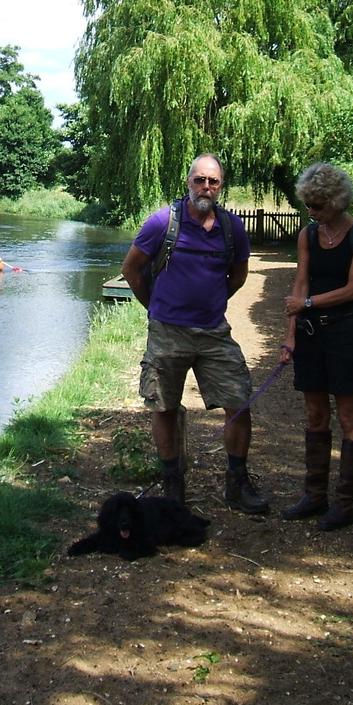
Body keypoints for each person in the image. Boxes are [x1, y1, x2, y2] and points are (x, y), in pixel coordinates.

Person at [120, 153, 267, 514]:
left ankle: (237, 482)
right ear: (188, 182)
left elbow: (238, 276)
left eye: (213, 181)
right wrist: (155, 307)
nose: (206, 187)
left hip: (214, 331)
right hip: (168, 331)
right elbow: (131, 270)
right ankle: (173, 483)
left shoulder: (231, 229)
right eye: (200, 180)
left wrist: (211, 303)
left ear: (220, 186)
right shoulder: (162, 223)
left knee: (238, 401)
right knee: (164, 404)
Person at [279, 162, 353, 531]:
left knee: (350, 417)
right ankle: (314, 496)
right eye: (308, 204)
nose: (312, 211)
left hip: (345, 334)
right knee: (316, 416)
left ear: (336, 201)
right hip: (310, 335)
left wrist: (307, 305)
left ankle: (344, 503)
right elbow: (299, 286)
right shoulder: (308, 234)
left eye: (317, 205)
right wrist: (290, 335)